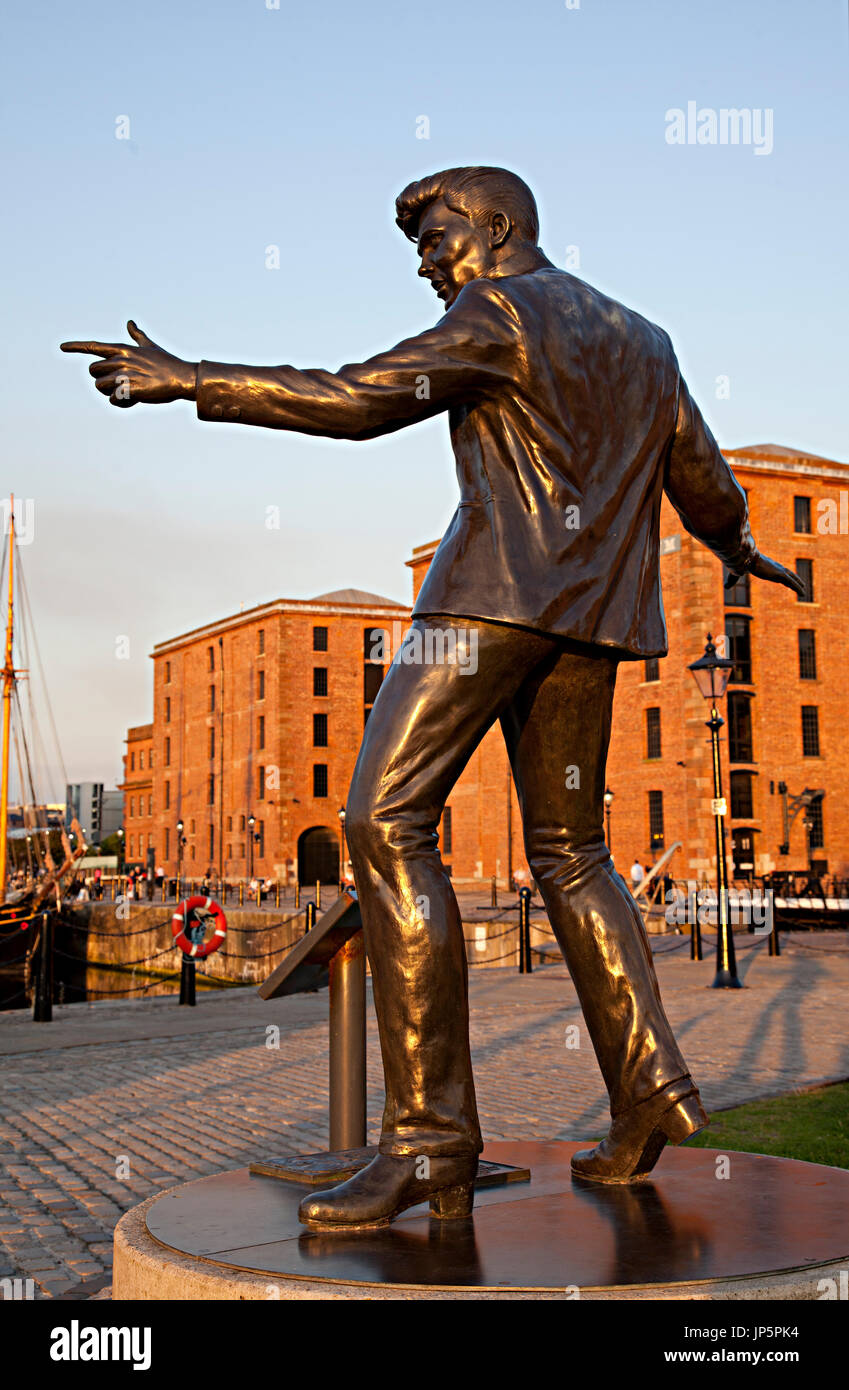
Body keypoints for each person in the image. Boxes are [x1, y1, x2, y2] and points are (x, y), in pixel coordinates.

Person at [62, 164, 804, 1229]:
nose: (422, 259)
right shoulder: (645, 337)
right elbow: (704, 477)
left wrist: (190, 380)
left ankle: (428, 1141)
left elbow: (356, 398)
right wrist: (739, 547)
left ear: (497, 228)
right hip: (591, 621)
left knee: (383, 819)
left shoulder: (497, 310)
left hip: (487, 604)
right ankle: (646, 1088)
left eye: (435, 234)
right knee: (573, 852)